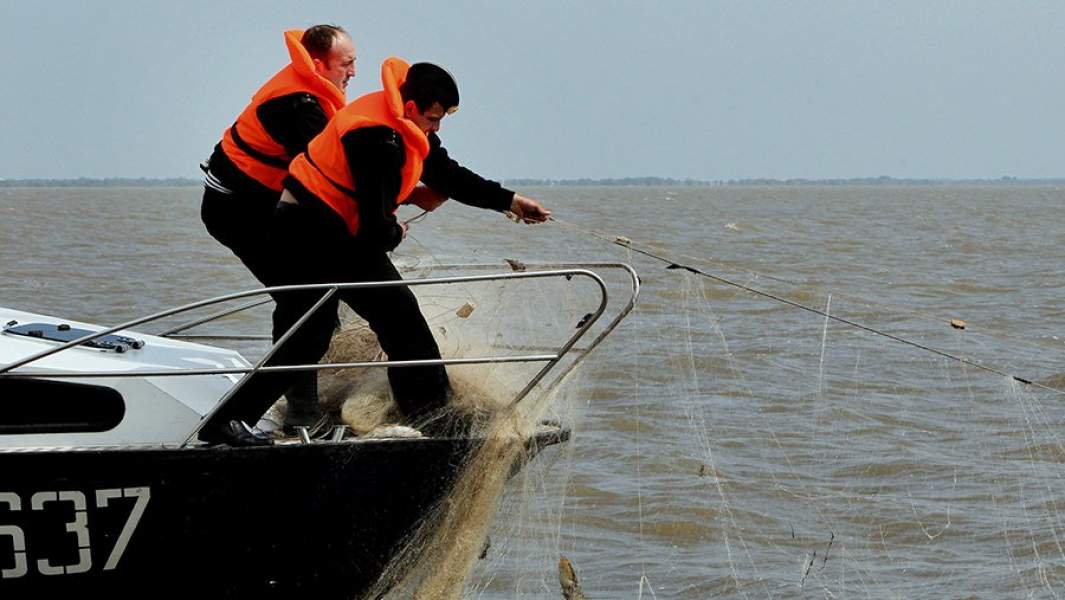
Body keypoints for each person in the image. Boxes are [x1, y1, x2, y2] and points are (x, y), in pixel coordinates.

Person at [198, 57, 550, 446]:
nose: (436, 128)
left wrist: (512, 201)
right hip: (313, 230)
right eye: (433, 119)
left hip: (326, 228)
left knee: (313, 333)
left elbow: (447, 174)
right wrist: (393, 232)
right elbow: (372, 227)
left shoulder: (405, 124)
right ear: (412, 107)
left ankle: (229, 421)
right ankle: (437, 420)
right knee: (399, 319)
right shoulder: (375, 139)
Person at [198, 26, 355, 439]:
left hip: (266, 210)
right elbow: (329, 172)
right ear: (318, 64)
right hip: (235, 211)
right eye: (347, 63)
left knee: (307, 303)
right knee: (309, 308)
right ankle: (243, 419)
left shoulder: (312, 96)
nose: (354, 71)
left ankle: (301, 413)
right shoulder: (298, 105)